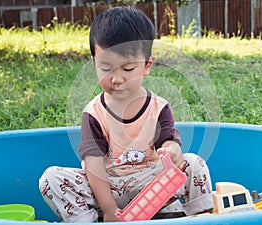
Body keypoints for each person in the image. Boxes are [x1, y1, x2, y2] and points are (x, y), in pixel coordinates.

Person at [39, 6, 213, 223]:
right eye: (105, 68)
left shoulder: (158, 107)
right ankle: (94, 220)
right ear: (94, 63)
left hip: (150, 183)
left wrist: (172, 150)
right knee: (52, 178)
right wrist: (110, 208)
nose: (117, 78)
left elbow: (169, 141)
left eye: (128, 69)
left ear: (147, 65)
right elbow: (93, 165)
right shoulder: (93, 113)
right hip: (108, 186)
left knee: (193, 163)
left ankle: (197, 218)